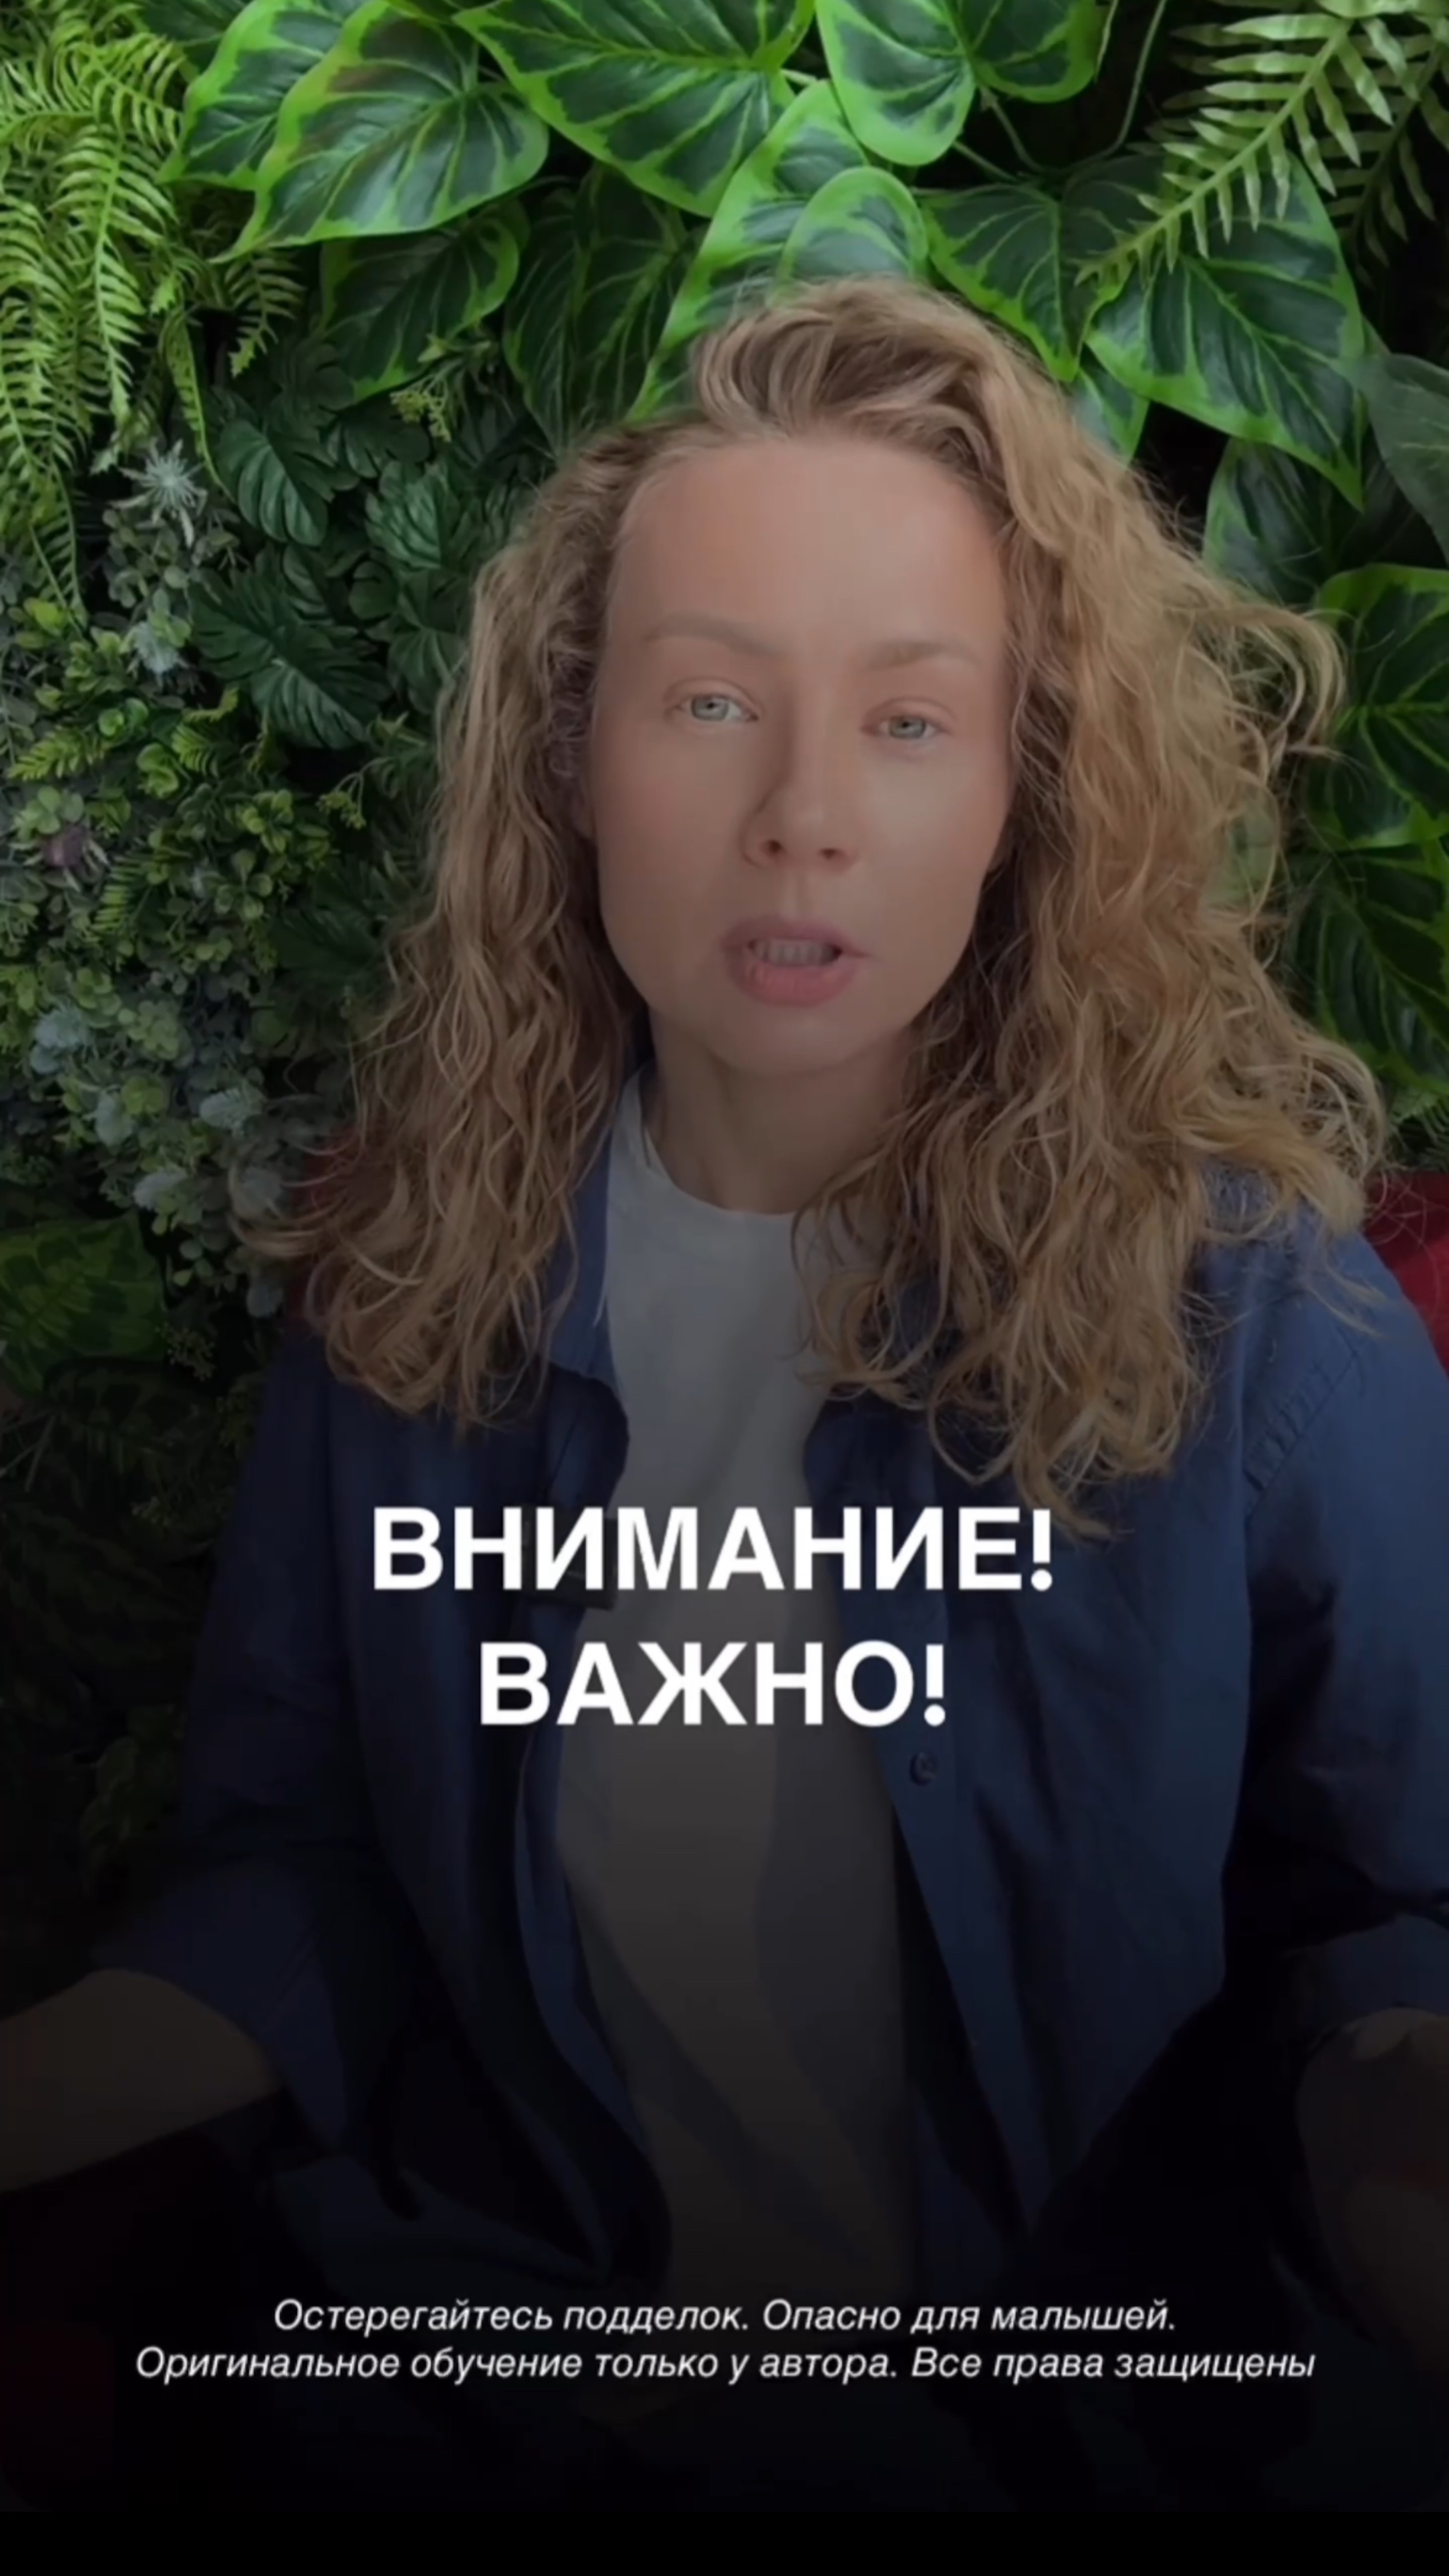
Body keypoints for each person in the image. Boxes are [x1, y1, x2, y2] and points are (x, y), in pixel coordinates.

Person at [2, 273, 1449, 2514]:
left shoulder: (1258, 1321)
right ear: (570, 759)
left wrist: (1396, 2156)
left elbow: (1386, 1926)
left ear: (1027, 791)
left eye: (909, 719)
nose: (802, 816)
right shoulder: (412, 1287)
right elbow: (305, 1875)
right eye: (707, 701)